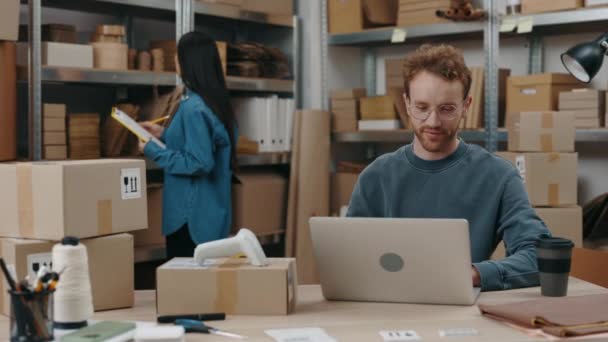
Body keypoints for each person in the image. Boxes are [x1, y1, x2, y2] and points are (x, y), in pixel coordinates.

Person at [347, 44, 550, 292]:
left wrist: (475, 274)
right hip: (389, 308)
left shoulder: (498, 176)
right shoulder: (375, 177)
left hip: (463, 309)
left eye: (447, 109)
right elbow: (348, 259)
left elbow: (540, 256)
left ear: (466, 106)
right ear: (407, 103)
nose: (433, 122)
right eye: (422, 108)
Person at [139, 31, 237, 259]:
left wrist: (153, 150)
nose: (175, 60)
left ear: (187, 62)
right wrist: (163, 134)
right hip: (211, 214)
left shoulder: (193, 107)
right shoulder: (217, 103)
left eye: (177, 55)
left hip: (190, 219)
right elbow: (202, 143)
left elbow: (199, 161)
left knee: (186, 287)